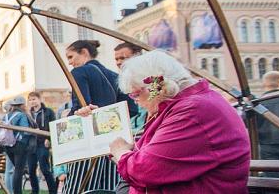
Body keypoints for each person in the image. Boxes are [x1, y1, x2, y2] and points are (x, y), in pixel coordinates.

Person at [107, 50, 250, 192]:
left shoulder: (192, 111)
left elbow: (144, 169)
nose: (135, 101)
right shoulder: (189, 104)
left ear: (156, 86)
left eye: (135, 94)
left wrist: (121, 153)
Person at [63, 40, 125, 193]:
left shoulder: (80, 72)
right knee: (109, 187)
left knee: (79, 186)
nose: (70, 63)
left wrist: (68, 115)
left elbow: (81, 107)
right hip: (114, 142)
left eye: (71, 57)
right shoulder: (115, 76)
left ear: (84, 52)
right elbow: (131, 110)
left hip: (88, 143)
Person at [25, 92, 57, 194]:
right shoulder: (28, 114)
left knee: (45, 169)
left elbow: (53, 126)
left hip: (43, 143)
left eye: (34, 99)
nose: (32, 102)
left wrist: (49, 138)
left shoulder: (48, 112)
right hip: (31, 145)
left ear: (39, 99)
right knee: (31, 170)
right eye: (30, 100)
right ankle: (35, 191)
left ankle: (53, 191)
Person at [0, 97, 32, 194]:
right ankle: (17, 192)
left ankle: (12, 191)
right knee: (18, 171)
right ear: (22, 105)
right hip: (19, 145)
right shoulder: (22, 115)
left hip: (8, 145)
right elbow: (25, 131)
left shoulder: (6, 115)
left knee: (14, 170)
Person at [114, 42, 147, 131]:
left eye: (123, 58)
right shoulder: (124, 80)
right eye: (116, 59)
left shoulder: (148, 78)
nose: (119, 62)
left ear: (137, 57)